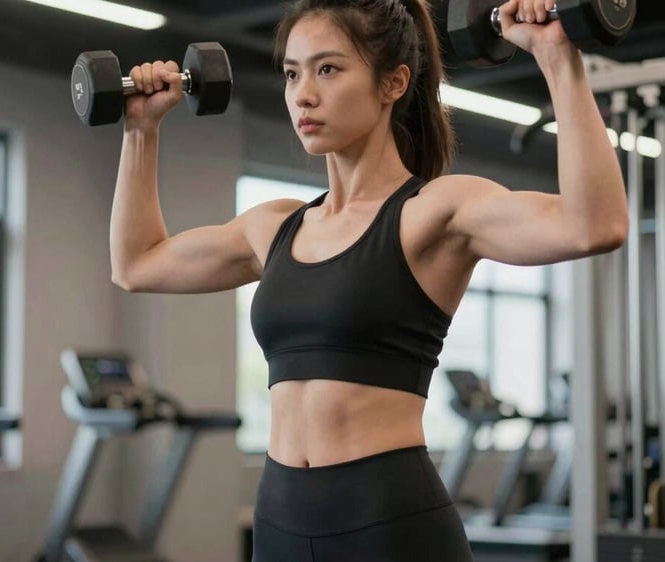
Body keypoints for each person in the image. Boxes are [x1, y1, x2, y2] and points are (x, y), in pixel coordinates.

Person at [110, 0, 628, 560]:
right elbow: (136, 264)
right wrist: (142, 129)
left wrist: (557, 57)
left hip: (386, 523)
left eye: (328, 69)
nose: (303, 94)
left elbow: (593, 226)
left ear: (393, 83)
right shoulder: (275, 226)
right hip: (280, 521)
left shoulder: (434, 212)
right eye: (292, 72)